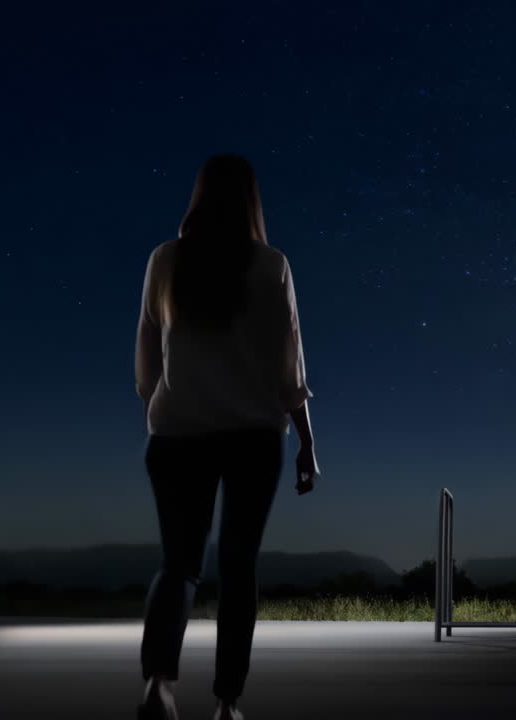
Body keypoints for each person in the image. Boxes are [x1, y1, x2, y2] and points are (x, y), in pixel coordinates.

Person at [134, 153, 321, 720]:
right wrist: (308, 444)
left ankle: (159, 685)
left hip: (177, 434)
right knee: (239, 568)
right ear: (251, 201)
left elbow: (147, 361)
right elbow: (290, 368)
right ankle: (226, 702)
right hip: (253, 439)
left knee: (178, 563)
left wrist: (165, 407)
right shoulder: (272, 265)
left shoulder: (164, 261)